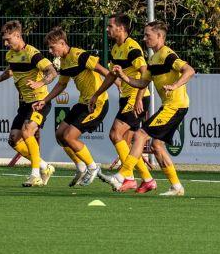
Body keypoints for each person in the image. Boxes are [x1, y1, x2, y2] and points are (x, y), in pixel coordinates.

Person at [104, 21, 194, 196]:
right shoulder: (153, 59)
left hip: (175, 106)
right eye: (144, 35)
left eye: (148, 35)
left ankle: (122, 176)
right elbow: (141, 83)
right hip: (170, 106)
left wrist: (175, 85)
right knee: (157, 146)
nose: (144, 38)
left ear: (159, 36)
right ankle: (176, 187)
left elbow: (189, 70)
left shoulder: (167, 55)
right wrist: (123, 76)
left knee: (140, 135)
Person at [0, 20, 58, 187]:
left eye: (8, 40)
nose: (5, 44)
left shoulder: (32, 53)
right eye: (4, 40)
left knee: (28, 132)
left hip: (40, 102)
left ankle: (35, 175)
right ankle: (45, 167)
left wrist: (40, 83)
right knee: (14, 140)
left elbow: (52, 71)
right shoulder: (10, 54)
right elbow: (11, 70)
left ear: (17, 35)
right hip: (24, 104)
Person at [88, 15, 157, 193]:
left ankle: (129, 178)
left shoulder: (132, 48)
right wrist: (97, 94)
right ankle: (147, 180)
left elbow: (145, 74)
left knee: (115, 133)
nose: (107, 29)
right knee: (125, 142)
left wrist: (139, 98)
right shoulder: (116, 48)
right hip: (126, 98)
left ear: (121, 28)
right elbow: (112, 75)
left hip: (136, 98)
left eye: (110, 26)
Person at [35, 27, 109, 187]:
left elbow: (104, 71)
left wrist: (118, 84)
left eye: (52, 47)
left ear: (62, 43)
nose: (50, 51)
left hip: (97, 103)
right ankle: (81, 166)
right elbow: (61, 84)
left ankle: (92, 167)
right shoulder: (64, 61)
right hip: (83, 102)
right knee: (60, 135)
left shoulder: (79, 55)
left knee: (69, 136)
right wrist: (45, 100)